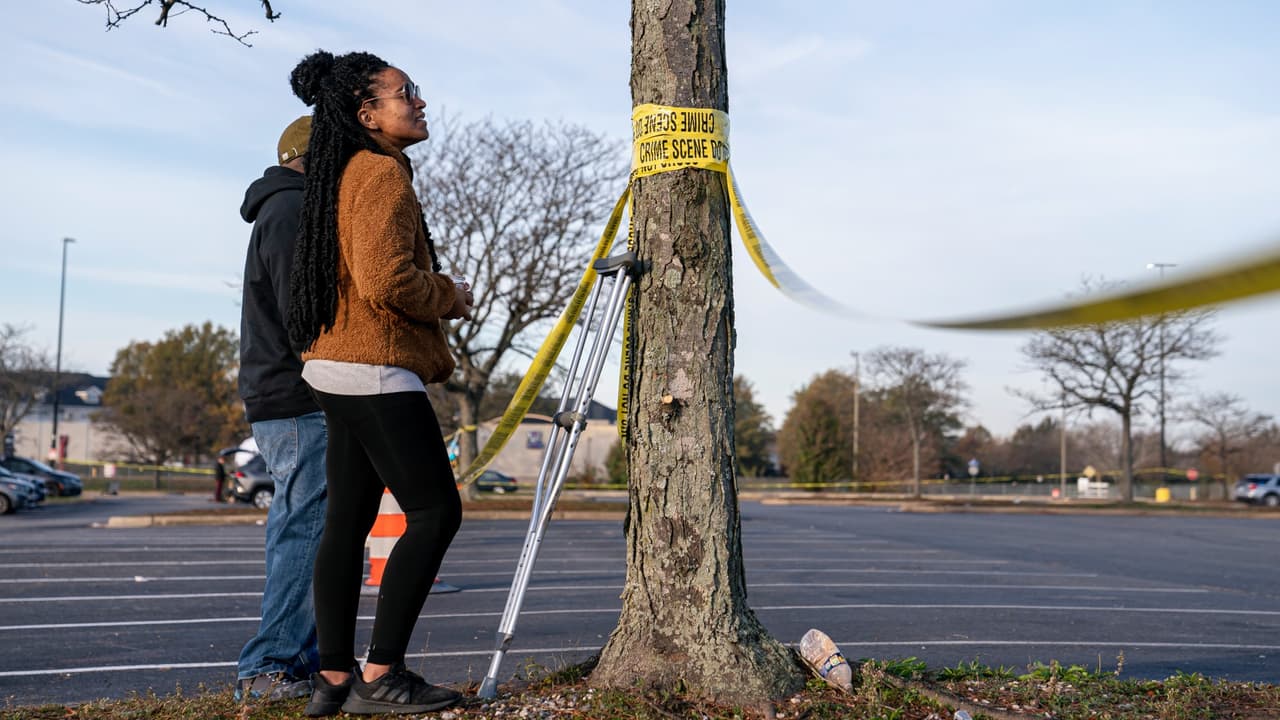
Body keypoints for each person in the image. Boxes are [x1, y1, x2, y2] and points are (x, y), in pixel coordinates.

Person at [285, 50, 472, 717]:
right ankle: (384, 673)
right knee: (435, 511)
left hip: (335, 364)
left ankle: (334, 677)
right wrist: (449, 294)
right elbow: (388, 282)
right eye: (405, 93)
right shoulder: (379, 173)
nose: (419, 101)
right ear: (367, 114)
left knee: (350, 518)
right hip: (373, 366)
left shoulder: (345, 173)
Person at [233, 115, 329, 702]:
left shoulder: (285, 207)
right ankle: (270, 665)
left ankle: (295, 660)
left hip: (290, 395)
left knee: (309, 527)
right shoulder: (292, 211)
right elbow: (306, 317)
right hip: (299, 397)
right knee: (304, 527)